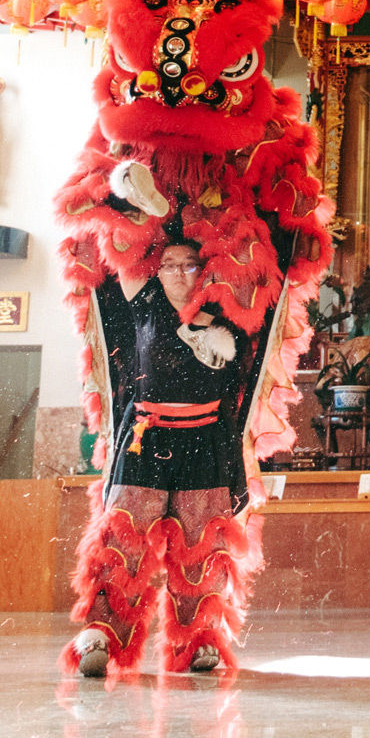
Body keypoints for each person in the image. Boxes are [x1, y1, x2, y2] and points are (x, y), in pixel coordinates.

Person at [65, 240, 257, 677]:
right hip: (144, 441)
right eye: (168, 264)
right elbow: (119, 244)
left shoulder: (225, 315)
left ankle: (200, 641)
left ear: (202, 271)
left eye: (188, 264)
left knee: (200, 545)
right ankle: (100, 635)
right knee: (123, 540)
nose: (176, 272)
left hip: (205, 442)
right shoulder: (142, 300)